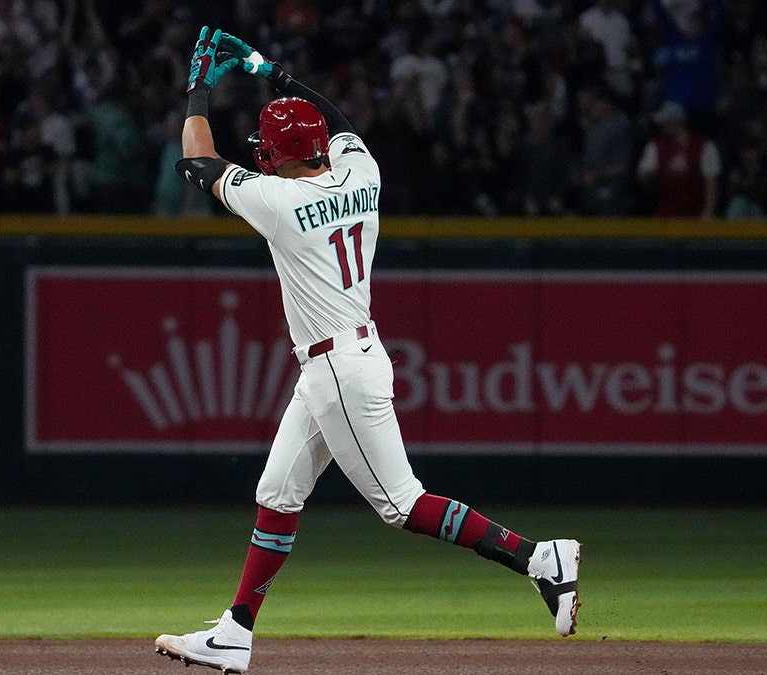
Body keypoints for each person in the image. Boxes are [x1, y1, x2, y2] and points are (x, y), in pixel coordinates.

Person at [152, 27, 580, 675]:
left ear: (276, 155)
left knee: (402, 504)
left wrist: (198, 90)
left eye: (266, 149)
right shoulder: (362, 173)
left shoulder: (280, 200)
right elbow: (342, 124)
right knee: (278, 491)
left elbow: (195, 163)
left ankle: (539, 557)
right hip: (344, 357)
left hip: (338, 372)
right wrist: (276, 74)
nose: (260, 157)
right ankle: (235, 631)